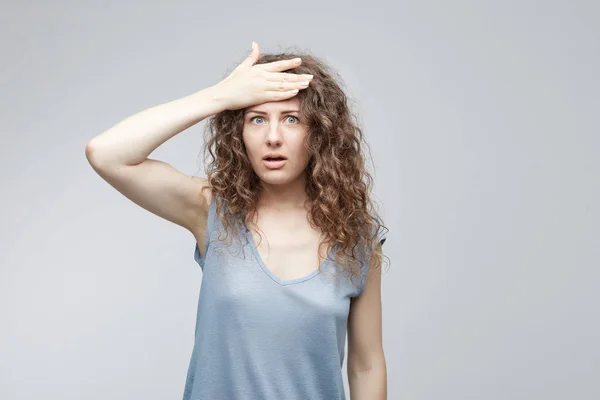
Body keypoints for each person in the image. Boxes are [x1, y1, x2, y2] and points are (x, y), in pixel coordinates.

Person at [85, 41, 389, 400]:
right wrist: (220, 95)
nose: (272, 137)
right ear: (238, 133)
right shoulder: (212, 210)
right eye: (256, 119)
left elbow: (366, 364)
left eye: (292, 119)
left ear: (319, 132)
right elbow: (106, 154)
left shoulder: (356, 236)